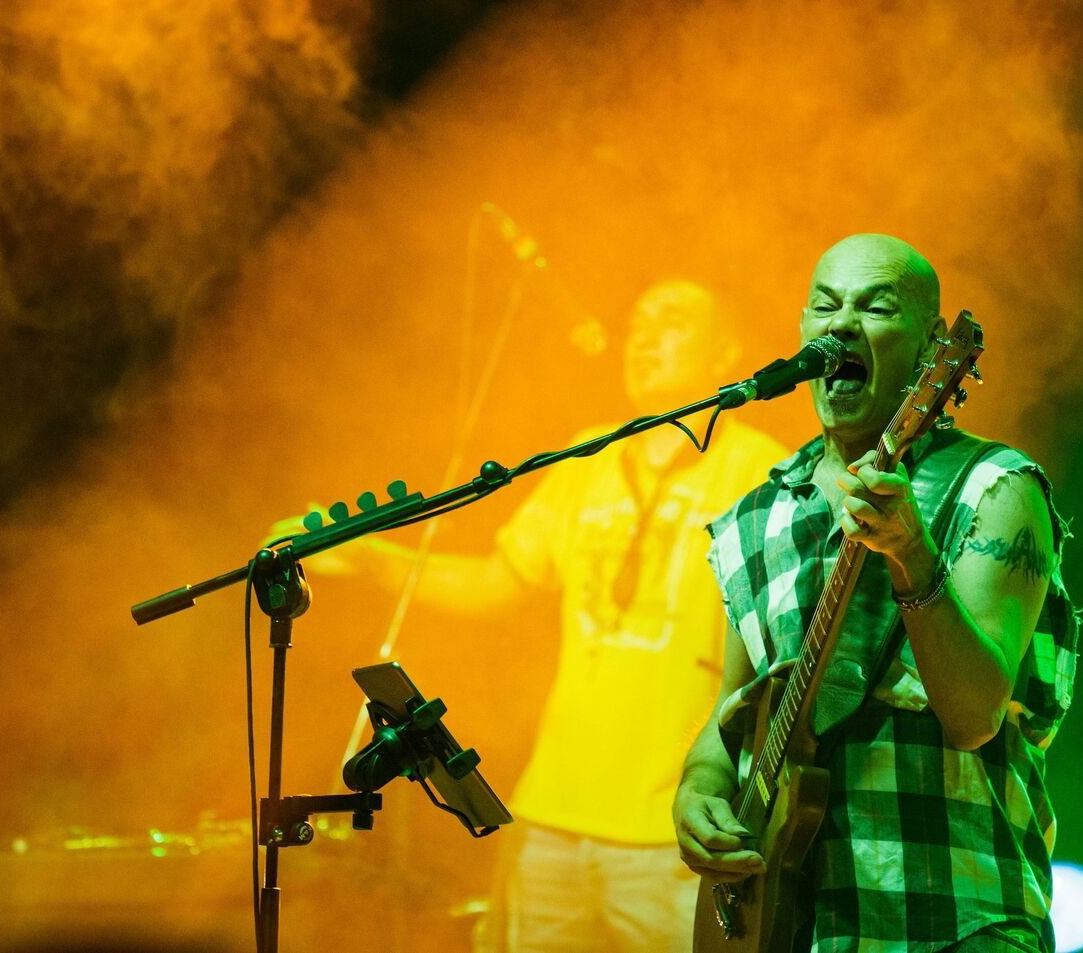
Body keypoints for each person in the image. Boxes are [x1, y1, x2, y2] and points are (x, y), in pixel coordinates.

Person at [269, 281, 785, 953]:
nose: (645, 337)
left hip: (673, 827)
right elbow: (499, 580)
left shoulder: (764, 470)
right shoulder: (587, 455)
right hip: (551, 818)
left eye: (672, 321)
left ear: (727, 351)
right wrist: (373, 559)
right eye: (636, 322)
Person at [672, 235, 1079, 953]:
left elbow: (976, 712)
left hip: (957, 918)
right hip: (793, 926)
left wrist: (912, 553)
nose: (841, 323)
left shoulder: (994, 489)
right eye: (826, 305)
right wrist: (698, 788)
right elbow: (736, 708)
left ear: (931, 352)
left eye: (875, 305)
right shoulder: (753, 518)